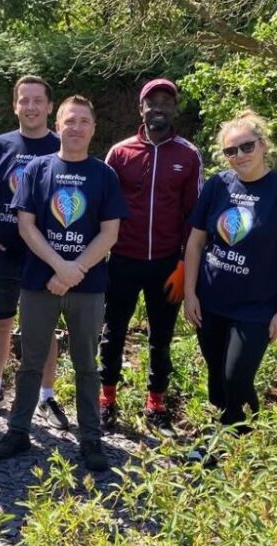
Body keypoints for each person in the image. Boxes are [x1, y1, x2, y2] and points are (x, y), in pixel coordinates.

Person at [0, 96, 126, 471]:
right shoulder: (37, 169)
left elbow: (110, 232)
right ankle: (18, 431)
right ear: (59, 126)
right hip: (40, 283)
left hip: (88, 285)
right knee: (30, 361)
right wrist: (59, 266)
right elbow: (26, 225)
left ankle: (90, 439)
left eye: (84, 121)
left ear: (93, 128)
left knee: (86, 364)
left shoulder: (105, 175)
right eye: (70, 121)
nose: (77, 128)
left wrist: (75, 269)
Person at [184, 109, 277, 439]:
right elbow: (196, 243)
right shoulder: (217, 186)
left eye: (246, 147)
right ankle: (237, 433)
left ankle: (229, 440)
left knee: (236, 376)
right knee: (217, 380)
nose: (239, 156)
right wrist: (189, 294)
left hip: (256, 308)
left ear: (263, 145)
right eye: (230, 150)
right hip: (210, 303)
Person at [98, 78, 202, 434]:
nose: (159, 107)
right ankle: (106, 399)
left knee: (161, 336)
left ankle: (156, 403)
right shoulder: (120, 152)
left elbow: (195, 215)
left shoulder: (188, 154)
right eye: (151, 101)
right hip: (123, 260)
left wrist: (186, 264)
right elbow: (105, 208)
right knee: (113, 332)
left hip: (167, 264)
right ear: (140, 108)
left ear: (174, 109)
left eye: (166, 102)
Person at [0, 75, 68, 430]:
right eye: (23, 100)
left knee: (44, 330)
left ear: (50, 106)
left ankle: (47, 396)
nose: (30, 107)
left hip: (42, 258)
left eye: (37, 100)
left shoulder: (61, 148)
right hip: (2, 250)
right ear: (15, 105)